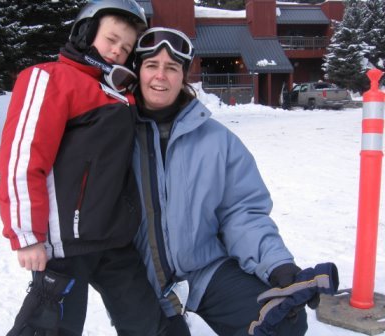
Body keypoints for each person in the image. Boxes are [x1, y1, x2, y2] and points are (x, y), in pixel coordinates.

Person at [0, 2, 177, 335]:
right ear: (84, 32)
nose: (116, 51)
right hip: (64, 245)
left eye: (125, 49)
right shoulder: (51, 78)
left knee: (147, 322)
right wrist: (26, 235)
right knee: (50, 328)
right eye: (110, 39)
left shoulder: (121, 94)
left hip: (114, 239)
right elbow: (23, 159)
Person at [131, 27, 322, 336]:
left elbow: (241, 212)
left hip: (203, 271)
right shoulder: (116, 135)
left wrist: (276, 263)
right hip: (138, 279)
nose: (160, 76)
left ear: (184, 76)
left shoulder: (218, 141)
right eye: (151, 65)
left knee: (281, 321)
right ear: (138, 71)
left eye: (172, 67)